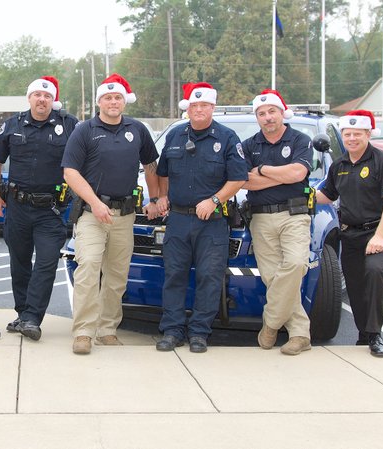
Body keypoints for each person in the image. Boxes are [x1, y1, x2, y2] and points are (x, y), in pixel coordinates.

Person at [62, 73, 161, 355]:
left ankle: (107, 330)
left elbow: (151, 164)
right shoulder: (84, 130)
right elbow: (70, 172)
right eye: (108, 98)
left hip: (125, 214)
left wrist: (154, 199)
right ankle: (83, 332)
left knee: (117, 276)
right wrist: (94, 202)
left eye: (118, 97)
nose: (113, 102)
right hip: (93, 214)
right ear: (99, 102)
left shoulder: (137, 129)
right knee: (89, 268)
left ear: (124, 101)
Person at [152, 82, 247, 354]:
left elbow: (238, 177)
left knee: (209, 277)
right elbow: (163, 171)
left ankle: (199, 333)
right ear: (188, 109)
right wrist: (163, 196)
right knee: (174, 276)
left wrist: (215, 200)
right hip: (178, 219)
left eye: (204, 105)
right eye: (194, 106)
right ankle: (171, 331)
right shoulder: (176, 136)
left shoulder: (227, 138)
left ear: (212, 108)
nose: (199, 110)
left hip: (212, 221)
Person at [0, 76, 79, 341]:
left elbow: (87, 157)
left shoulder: (69, 124)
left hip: (51, 209)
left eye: (47, 96)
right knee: (20, 263)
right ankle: (23, 314)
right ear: (29, 98)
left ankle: (32, 318)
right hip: (17, 207)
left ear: (53, 100)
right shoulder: (12, 124)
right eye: (37, 95)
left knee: (47, 263)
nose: (42, 99)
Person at [316, 110, 383, 358]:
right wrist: (304, 195)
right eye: (347, 134)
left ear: (367, 134)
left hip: (378, 232)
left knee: (374, 272)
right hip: (350, 235)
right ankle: (363, 334)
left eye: (357, 134)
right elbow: (328, 196)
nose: (352, 138)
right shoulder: (339, 164)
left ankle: (375, 335)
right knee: (354, 286)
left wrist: (380, 236)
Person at [242, 89, 313, 356]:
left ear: (282, 113)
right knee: (273, 277)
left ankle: (271, 322)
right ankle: (299, 334)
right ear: (257, 118)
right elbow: (245, 181)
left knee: (296, 264)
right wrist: (282, 176)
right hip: (260, 216)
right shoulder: (249, 145)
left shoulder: (299, 139)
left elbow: (298, 172)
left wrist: (262, 170)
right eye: (262, 113)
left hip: (294, 216)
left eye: (272, 111)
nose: (267, 117)